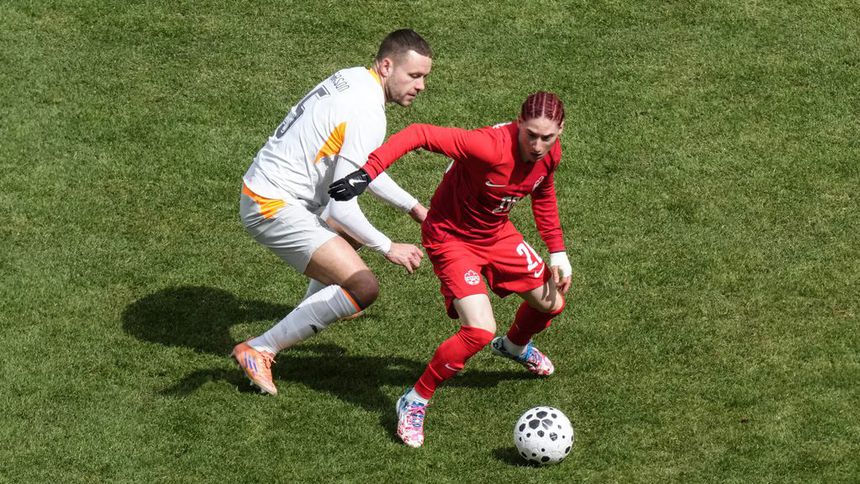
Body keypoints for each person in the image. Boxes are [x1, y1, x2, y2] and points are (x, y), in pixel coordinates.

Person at [329, 91, 573, 447]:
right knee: (479, 330)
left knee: (552, 303)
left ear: (560, 131)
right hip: (451, 238)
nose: (537, 145)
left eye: (546, 137)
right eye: (530, 134)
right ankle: (415, 399)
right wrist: (367, 173)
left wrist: (558, 251)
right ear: (518, 123)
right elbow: (418, 133)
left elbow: (543, 193)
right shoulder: (487, 146)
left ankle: (516, 345)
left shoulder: (550, 155)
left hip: (497, 233)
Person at [233, 29, 433, 396]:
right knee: (363, 287)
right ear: (387, 66)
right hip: (271, 204)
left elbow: (361, 173)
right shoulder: (368, 112)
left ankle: (317, 309)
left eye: (424, 78)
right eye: (414, 76)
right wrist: (389, 247)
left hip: (268, 188)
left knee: (348, 266)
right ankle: (259, 349)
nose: (420, 86)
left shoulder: (355, 78)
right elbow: (342, 206)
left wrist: (413, 206)